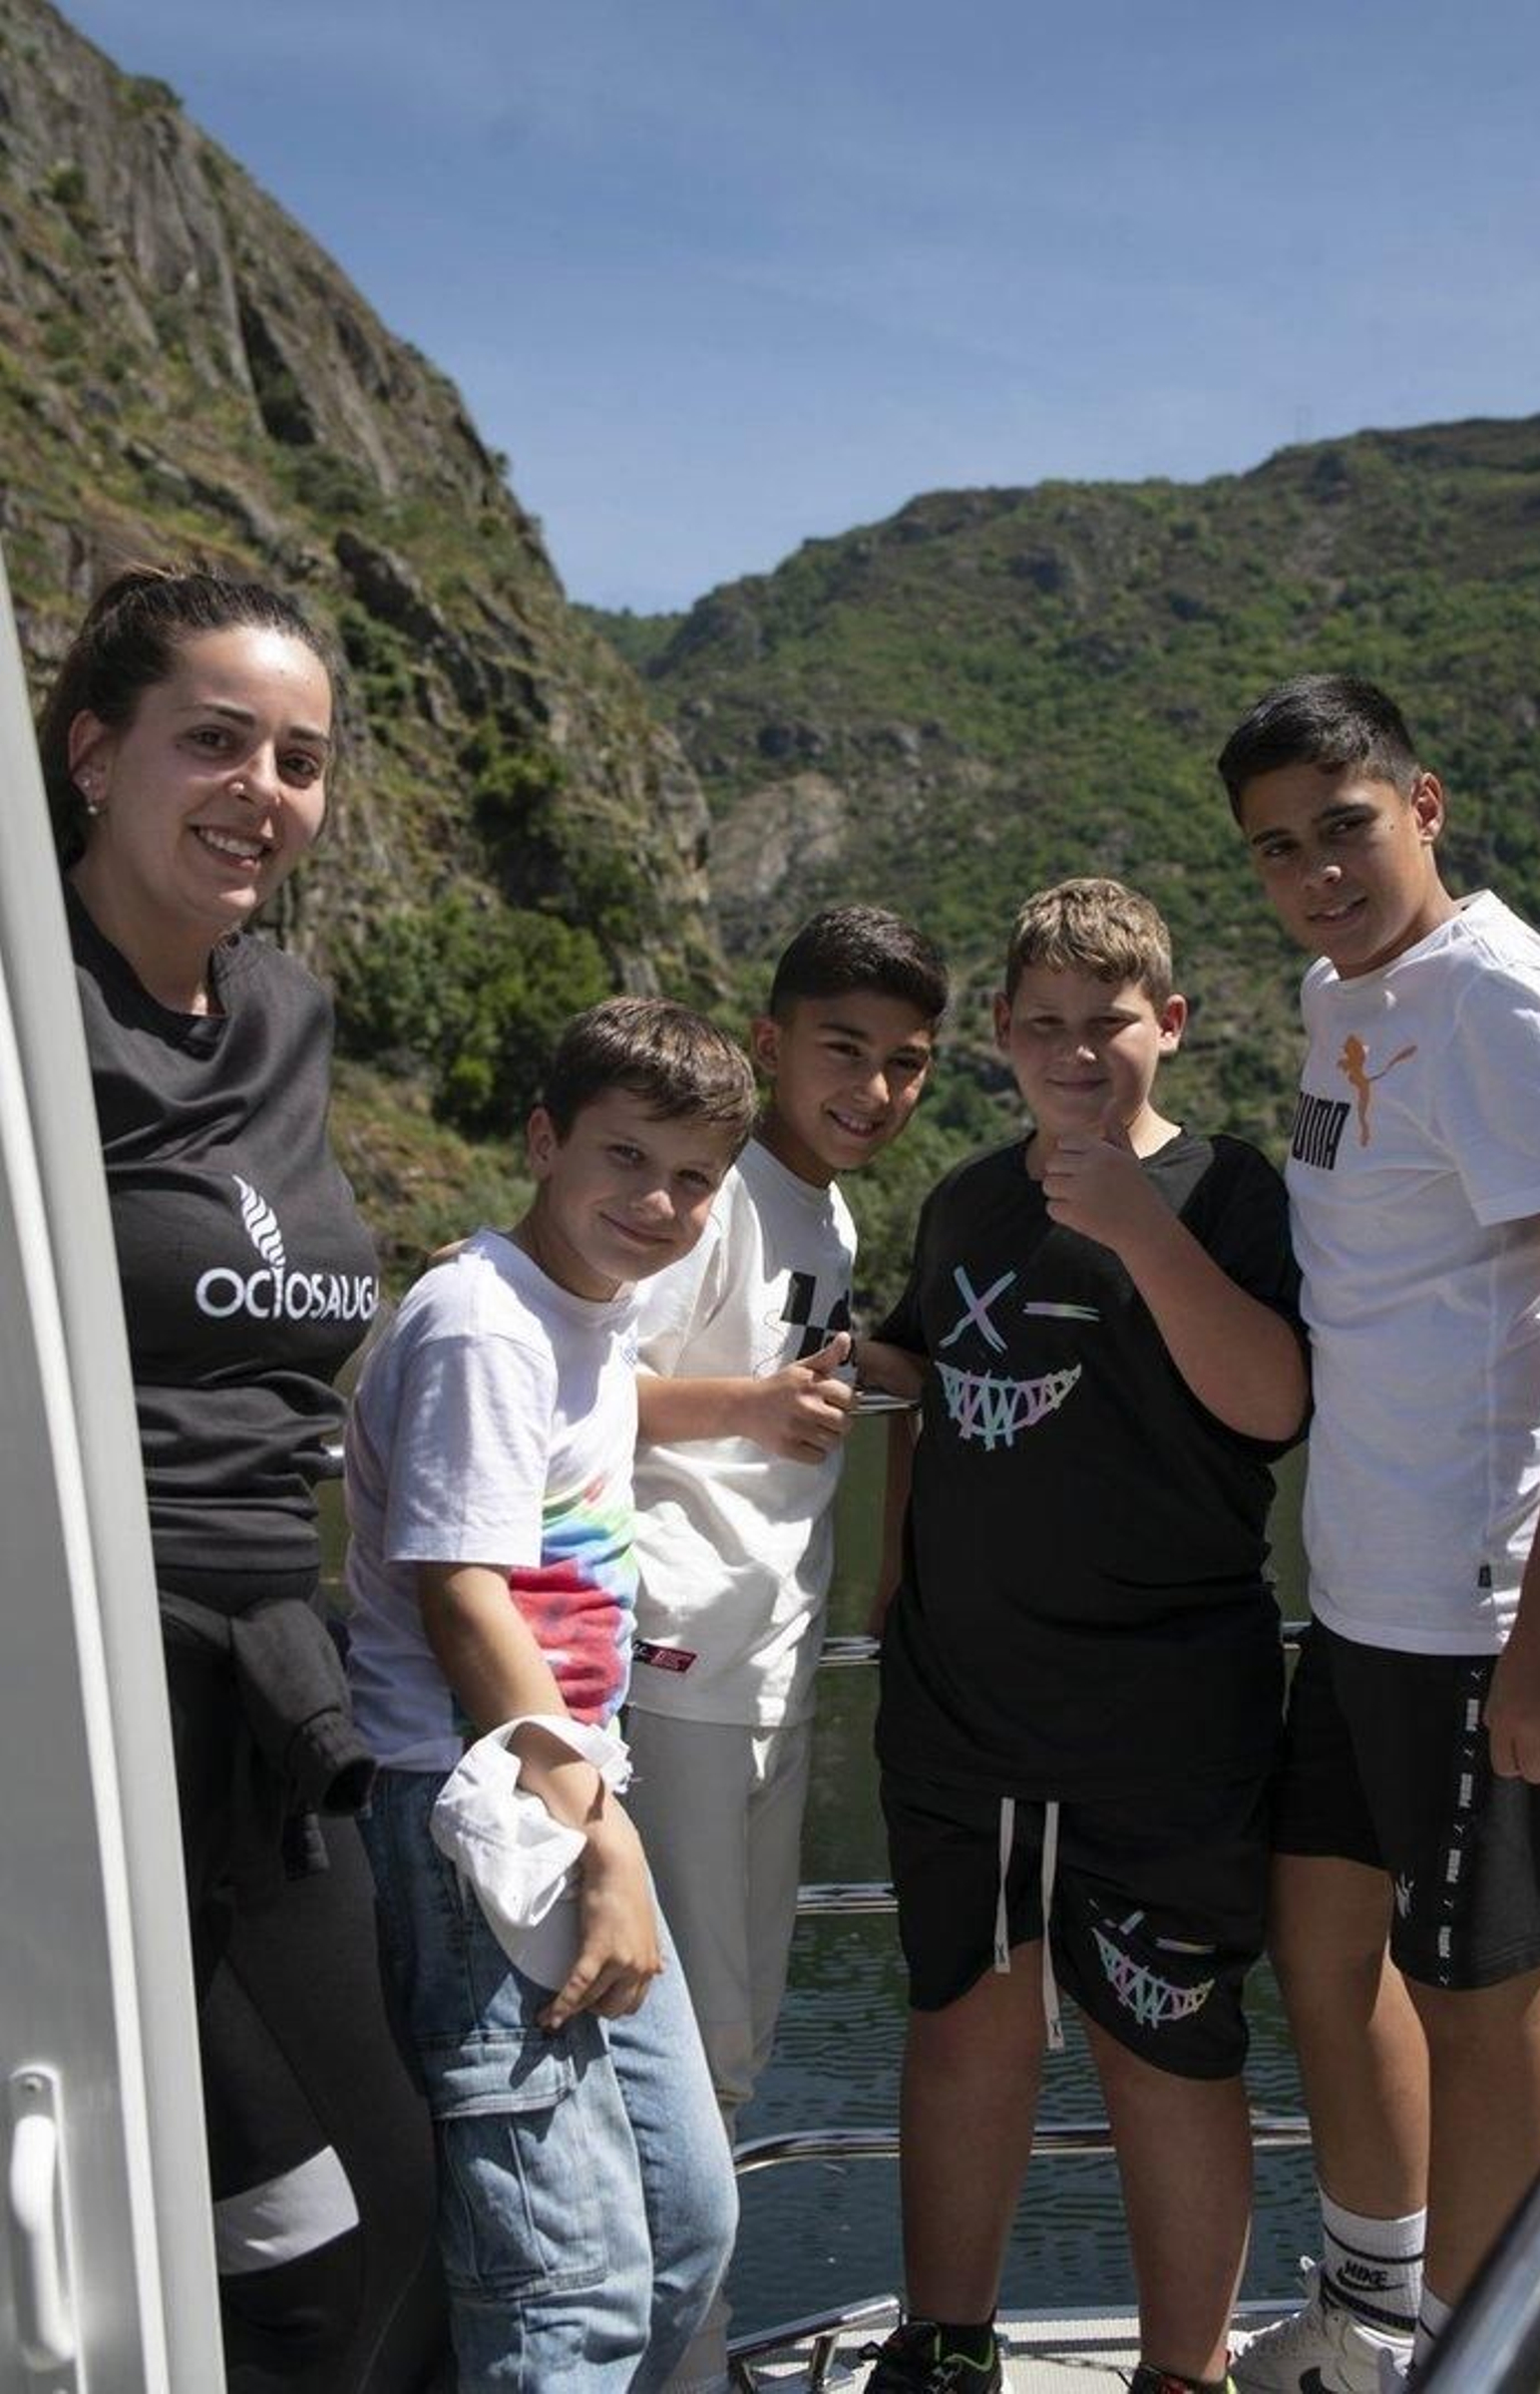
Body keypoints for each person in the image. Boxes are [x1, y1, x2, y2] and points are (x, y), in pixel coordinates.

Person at [37, 565, 446, 2387]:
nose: (262, 791)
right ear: (89, 752)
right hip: (87, 1691)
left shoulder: (285, 1009)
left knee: (395, 2213)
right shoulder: (22, 1013)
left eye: (298, 759)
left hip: (279, 1700)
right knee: (289, 2253)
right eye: (213, 742)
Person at [864, 878, 1308, 2394]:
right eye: (1040, 1025)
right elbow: (923, 1377)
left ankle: (1186, 2373)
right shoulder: (966, 1201)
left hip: (1165, 1723)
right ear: (997, 1035)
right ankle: (948, 2342)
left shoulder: (1237, 1192)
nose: (1072, 1053)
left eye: (1105, 1025)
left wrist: (1132, 1221)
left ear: (1168, 1027)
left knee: (1166, 2045)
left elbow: (1275, 1402)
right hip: (963, 1709)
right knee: (964, 2023)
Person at [1219, 676, 1540, 2393]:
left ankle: (1482, 2352)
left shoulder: (1504, 1004)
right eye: (1279, 849)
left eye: (1345, 827)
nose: (1318, 873)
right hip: (1358, 1597)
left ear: (1424, 804)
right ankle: (1375, 2315)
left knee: (1488, 2001)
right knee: (1320, 1943)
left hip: (1484, 1598)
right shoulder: (1336, 996)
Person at [342, 996, 755, 2391]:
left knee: (687, 2223)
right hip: (480, 1824)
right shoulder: (480, 1328)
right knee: (562, 2291)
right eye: (627, 1159)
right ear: (543, 1140)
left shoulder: (586, 1305)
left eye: (694, 1178)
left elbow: (612, 1406)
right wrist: (605, 1838)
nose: (659, 1201)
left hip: (561, 1805)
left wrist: (756, 1402)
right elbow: (465, 1598)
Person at [624, 904, 948, 2383]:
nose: (872, 1090)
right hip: (678, 1661)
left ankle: (685, 2350)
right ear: (768, 1045)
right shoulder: (711, 1193)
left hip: (769, 1667)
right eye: (842, 1052)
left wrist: (896, 1365)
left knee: (732, 2048)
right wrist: (757, 1404)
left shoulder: (825, 1215)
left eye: (906, 1066)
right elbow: (589, 1393)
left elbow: (808, 1349)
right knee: (688, 2056)